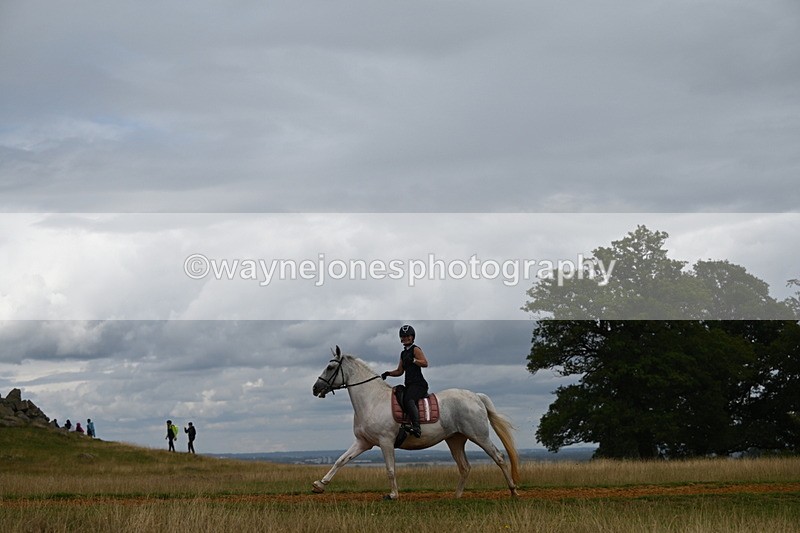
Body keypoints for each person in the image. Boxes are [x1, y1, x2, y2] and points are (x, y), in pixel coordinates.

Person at [381, 324, 429, 438]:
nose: (405, 338)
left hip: (419, 385)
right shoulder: (403, 353)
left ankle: (416, 427)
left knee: (408, 399)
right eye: (403, 336)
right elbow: (400, 371)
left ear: (412, 337)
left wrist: (413, 360)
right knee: (398, 391)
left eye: (408, 336)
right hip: (409, 384)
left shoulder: (415, 349)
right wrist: (388, 373)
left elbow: (425, 363)